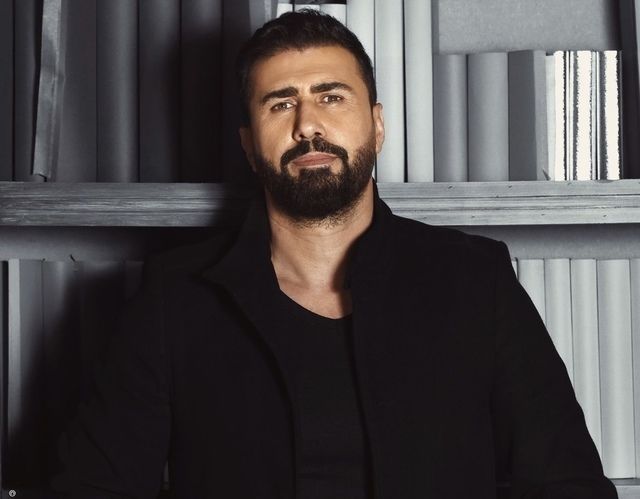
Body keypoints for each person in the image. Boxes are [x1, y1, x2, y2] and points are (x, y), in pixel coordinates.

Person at [53, 9, 618, 499]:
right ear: (248, 145)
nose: (308, 126)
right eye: (281, 104)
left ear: (377, 125)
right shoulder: (174, 298)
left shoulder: (475, 280)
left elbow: (569, 486)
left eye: (331, 97)